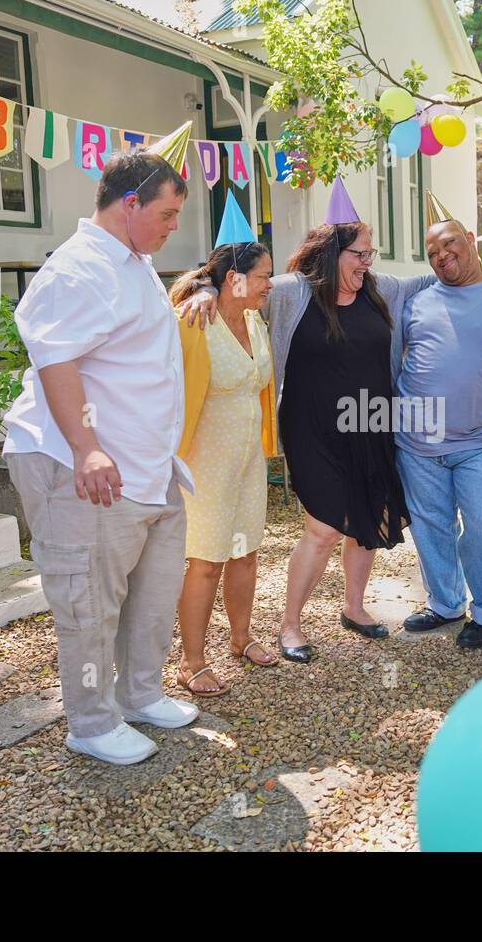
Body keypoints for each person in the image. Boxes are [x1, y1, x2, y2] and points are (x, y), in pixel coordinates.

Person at [180, 178, 434, 662]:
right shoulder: (293, 292)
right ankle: (290, 625)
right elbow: (235, 283)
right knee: (323, 527)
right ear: (333, 253)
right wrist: (202, 288)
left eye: (371, 254)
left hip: (370, 420)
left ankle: (354, 608)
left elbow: (439, 279)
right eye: (360, 253)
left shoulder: (381, 289)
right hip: (312, 426)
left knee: (369, 518)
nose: (367, 263)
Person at [3, 150, 199, 766]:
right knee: (88, 603)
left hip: (146, 468)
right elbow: (54, 359)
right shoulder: (79, 268)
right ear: (130, 203)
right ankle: (90, 723)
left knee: (153, 593)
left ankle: (139, 694)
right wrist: (86, 449)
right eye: (166, 214)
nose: (173, 227)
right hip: (84, 469)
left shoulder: (134, 262)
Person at [393, 196, 482, 649]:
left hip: (481, 437)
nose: (441, 256)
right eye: (432, 253)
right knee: (430, 523)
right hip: (417, 439)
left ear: (470, 240)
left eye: (448, 244)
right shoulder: (416, 301)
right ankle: (445, 603)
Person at [168, 196, 278, 697]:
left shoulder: (256, 322)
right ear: (234, 277)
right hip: (205, 461)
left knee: (245, 553)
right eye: (262, 276)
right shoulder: (194, 321)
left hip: (247, 459)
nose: (269, 284)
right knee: (205, 561)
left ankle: (240, 637)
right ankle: (191, 659)